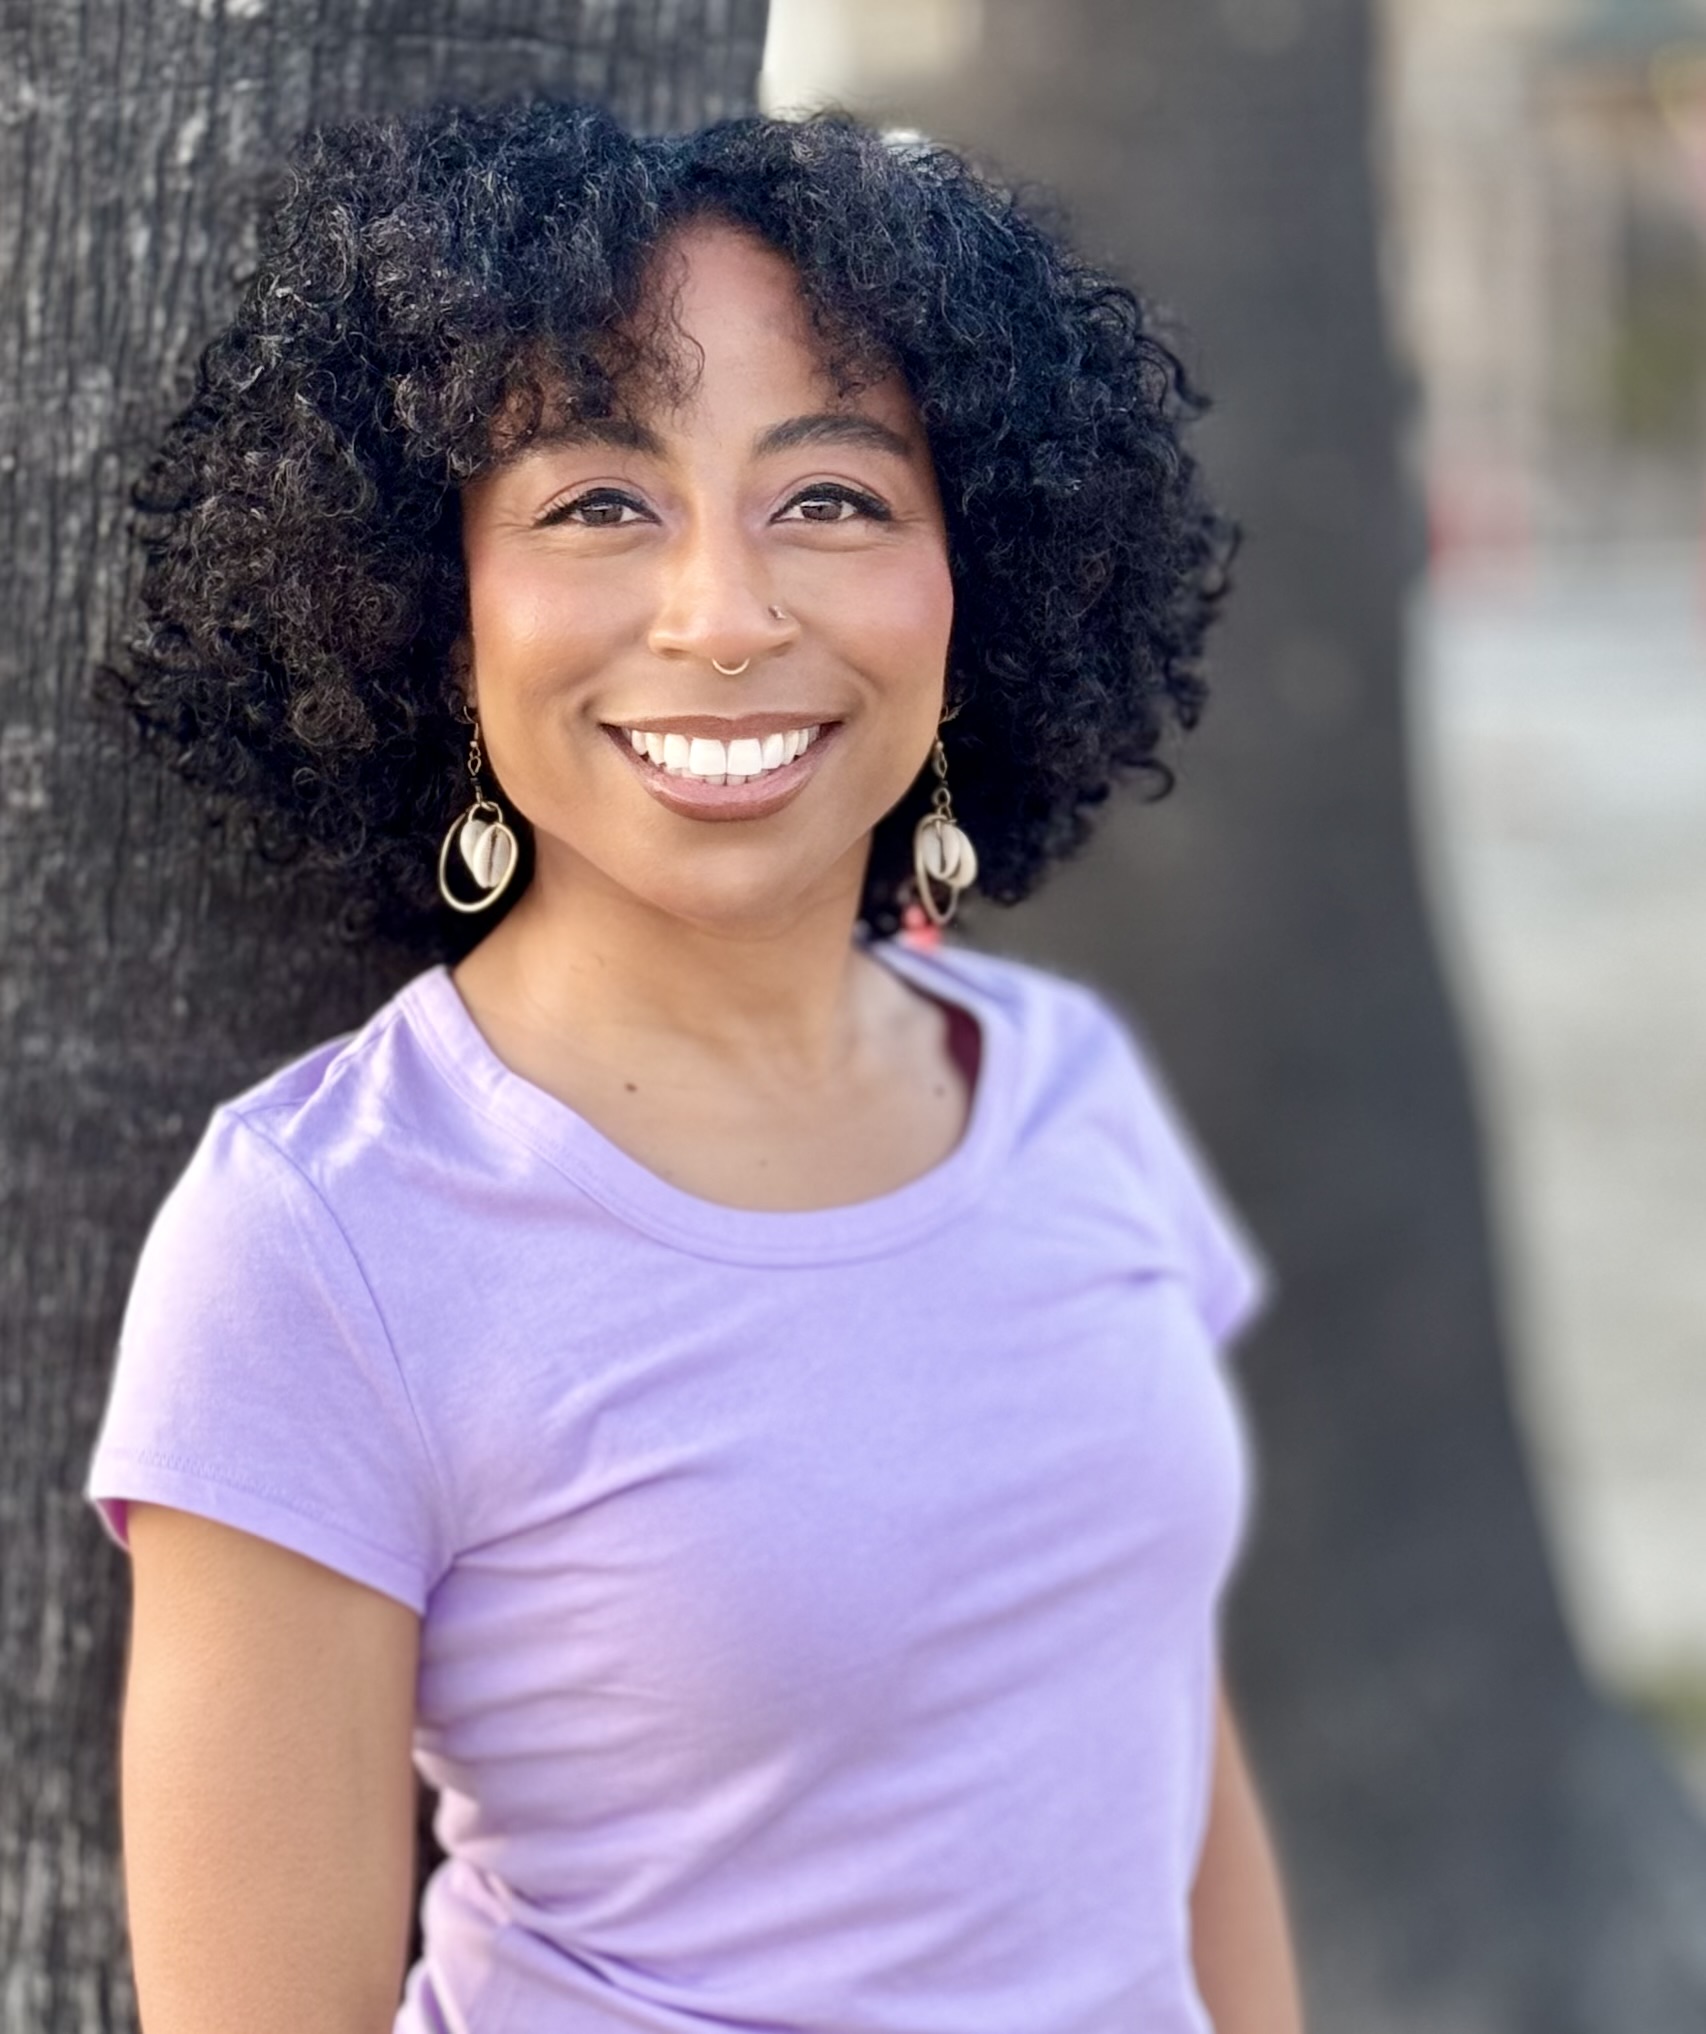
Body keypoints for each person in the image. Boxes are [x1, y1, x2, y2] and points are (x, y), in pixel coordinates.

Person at [85, 99, 1305, 2034]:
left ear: (969, 576)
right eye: (595, 502)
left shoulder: (1069, 1087)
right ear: (434, 607)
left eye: (830, 497)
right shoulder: (318, 1244)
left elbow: (1160, 1746)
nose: (725, 617)